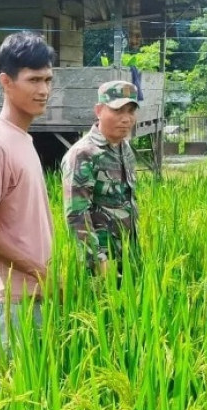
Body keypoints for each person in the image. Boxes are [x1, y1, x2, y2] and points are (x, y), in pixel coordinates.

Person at [0, 31, 55, 374]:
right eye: (33, 80)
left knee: (33, 394)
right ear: (6, 81)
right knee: (4, 399)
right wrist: (42, 272)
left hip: (36, 293)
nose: (44, 90)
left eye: (48, 79)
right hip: (12, 300)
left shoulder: (23, 139)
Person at [61, 80, 140, 278]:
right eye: (117, 111)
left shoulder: (125, 149)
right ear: (99, 110)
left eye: (130, 111)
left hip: (128, 255)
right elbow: (76, 215)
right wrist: (98, 260)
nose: (126, 119)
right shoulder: (83, 154)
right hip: (100, 264)